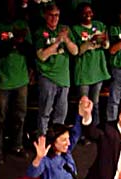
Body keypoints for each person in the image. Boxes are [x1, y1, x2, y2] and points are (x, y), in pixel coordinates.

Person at [0, 1, 35, 164]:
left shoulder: (22, 24)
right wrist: (15, 41)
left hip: (21, 79)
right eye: (7, 6)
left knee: (20, 115)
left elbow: (29, 50)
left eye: (13, 7)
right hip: (2, 80)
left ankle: (17, 145)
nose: (10, 10)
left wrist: (19, 42)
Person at [26, 103, 83, 179]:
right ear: (53, 142)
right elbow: (32, 174)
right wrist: (38, 158)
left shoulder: (66, 153)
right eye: (63, 140)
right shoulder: (47, 160)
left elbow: (76, 133)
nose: (68, 143)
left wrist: (80, 114)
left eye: (68, 139)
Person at [34, 3, 78, 135]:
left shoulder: (65, 29)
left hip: (63, 77)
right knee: (45, 111)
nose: (54, 18)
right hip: (47, 76)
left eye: (57, 15)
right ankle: (42, 138)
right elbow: (42, 56)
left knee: (61, 112)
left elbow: (75, 51)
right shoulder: (40, 32)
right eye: (51, 15)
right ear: (45, 16)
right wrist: (58, 41)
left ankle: (57, 139)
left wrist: (66, 39)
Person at [71, 2, 111, 126]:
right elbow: (77, 51)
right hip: (83, 72)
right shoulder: (75, 29)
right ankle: (80, 132)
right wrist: (91, 41)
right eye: (84, 13)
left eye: (89, 12)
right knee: (83, 104)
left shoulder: (99, 25)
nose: (87, 15)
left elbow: (107, 46)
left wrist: (104, 41)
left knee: (95, 102)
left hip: (98, 70)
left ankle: (94, 130)